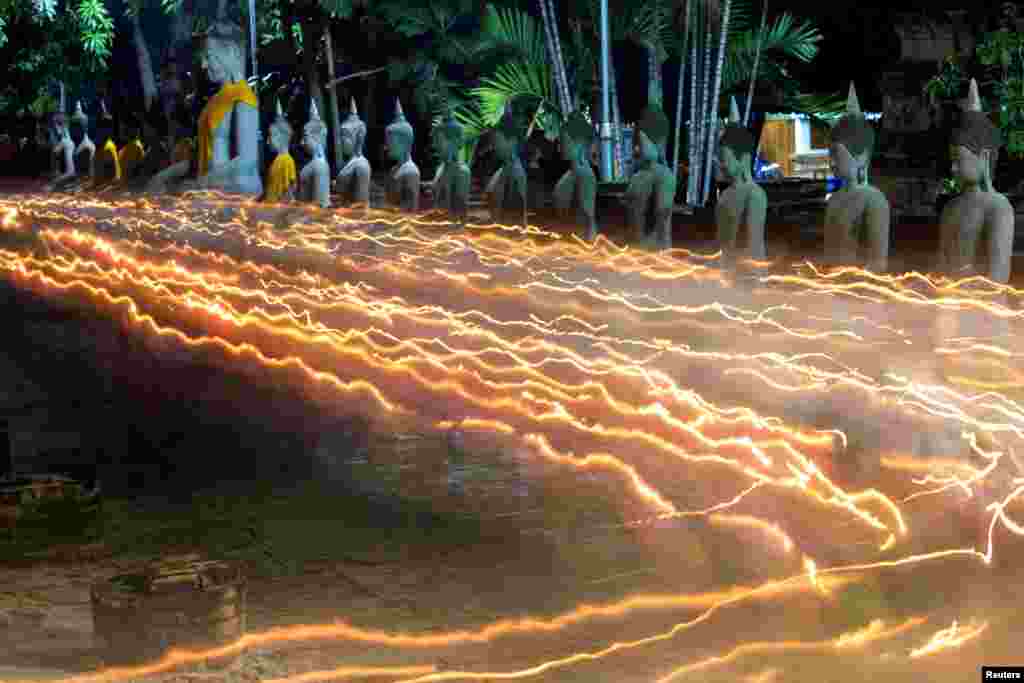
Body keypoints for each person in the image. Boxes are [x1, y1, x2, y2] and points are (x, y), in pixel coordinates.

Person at [823, 82, 891, 272]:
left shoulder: (874, 200)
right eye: (830, 156)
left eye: (836, 155)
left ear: (861, 157)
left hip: (859, 288)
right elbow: (828, 253)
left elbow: (878, 262)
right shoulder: (834, 199)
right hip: (832, 286)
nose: (832, 163)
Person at [716, 96, 767, 262]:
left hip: (748, 274)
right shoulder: (724, 196)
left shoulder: (754, 195)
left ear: (744, 158)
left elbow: (753, 245)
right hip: (729, 271)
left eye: (724, 159)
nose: (721, 164)